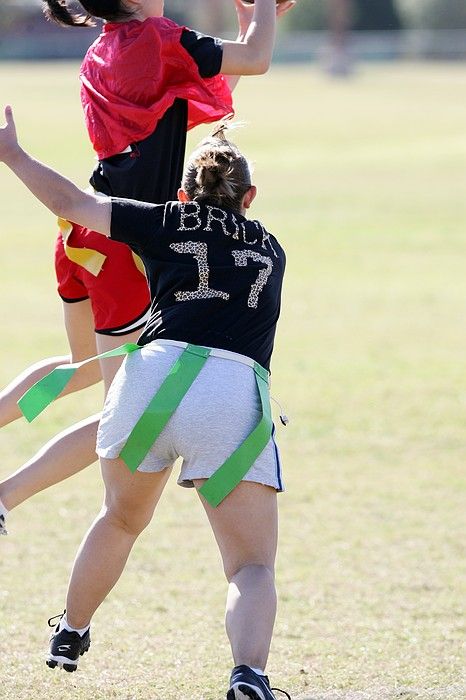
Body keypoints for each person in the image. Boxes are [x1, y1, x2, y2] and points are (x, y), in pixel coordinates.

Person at [0, 104, 289, 700]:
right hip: (231, 392)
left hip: (148, 379)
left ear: (182, 193)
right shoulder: (273, 250)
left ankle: (70, 631)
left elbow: (72, 205)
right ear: (250, 196)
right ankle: (248, 676)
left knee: (120, 520)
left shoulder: (166, 221)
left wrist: (13, 155)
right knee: (250, 566)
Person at [0, 0, 295, 537]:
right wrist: (262, 16)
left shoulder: (102, 49)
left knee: (81, 363)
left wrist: (255, 19)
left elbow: (212, 86)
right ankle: (4, 496)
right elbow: (255, 60)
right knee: (124, 409)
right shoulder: (160, 38)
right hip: (125, 249)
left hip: (85, 229)